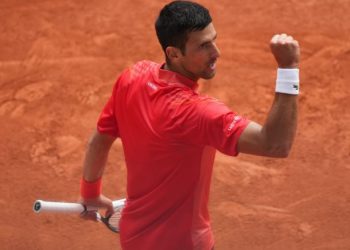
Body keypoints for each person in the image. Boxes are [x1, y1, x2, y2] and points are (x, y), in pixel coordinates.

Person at [79, 1, 300, 249]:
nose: (216, 52)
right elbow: (275, 144)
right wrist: (288, 68)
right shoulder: (198, 112)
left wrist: (90, 194)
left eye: (213, 40)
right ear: (174, 53)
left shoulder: (132, 78)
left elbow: (99, 140)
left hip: (134, 241)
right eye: (204, 46)